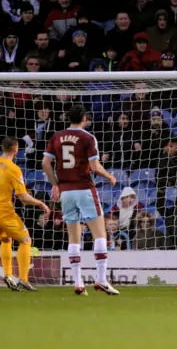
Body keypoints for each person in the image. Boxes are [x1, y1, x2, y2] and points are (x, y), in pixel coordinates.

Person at [41, 105, 119, 296]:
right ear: (84, 118)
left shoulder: (56, 136)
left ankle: (78, 283)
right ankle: (101, 279)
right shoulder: (87, 137)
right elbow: (94, 166)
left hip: (66, 192)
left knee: (73, 238)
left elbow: (45, 163)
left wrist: (55, 184)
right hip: (84, 189)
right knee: (100, 235)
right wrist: (109, 176)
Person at [0, 136, 50, 291]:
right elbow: (24, 198)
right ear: (15, 149)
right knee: (26, 240)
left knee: (6, 240)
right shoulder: (13, 168)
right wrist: (40, 203)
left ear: (2, 148)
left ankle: (8, 275)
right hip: (4, 214)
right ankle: (24, 279)